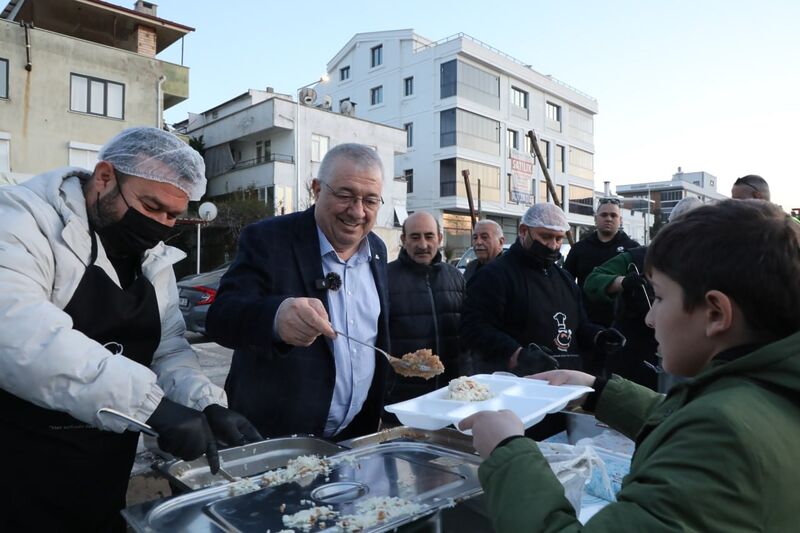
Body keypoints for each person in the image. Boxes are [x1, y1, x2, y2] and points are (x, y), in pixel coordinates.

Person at [459, 199, 800, 532]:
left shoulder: (722, 437)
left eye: (660, 298)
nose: (650, 318)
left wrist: (508, 455)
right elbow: (688, 416)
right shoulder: (765, 391)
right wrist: (596, 391)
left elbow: (706, 428)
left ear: (715, 314)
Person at [0, 127, 260, 532]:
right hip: (19, 464)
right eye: (151, 206)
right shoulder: (22, 219)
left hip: (104, 465)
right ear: (104, 178)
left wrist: (203, 402)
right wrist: (153, 407)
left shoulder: (153, 260)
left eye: (172, 216)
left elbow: (168, 348)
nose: (159, 225)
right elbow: (20, 336)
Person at [206, 143, 390, 441]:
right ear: (317, 189)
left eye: (370, 201)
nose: (357, 212)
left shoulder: (378, 250)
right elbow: (220, 318)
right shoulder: (268, 239)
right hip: (274, 441)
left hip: (353, 437)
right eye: (345, 195)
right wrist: (275, 319)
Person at [460, 203, 625, 379]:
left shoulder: (564, 278)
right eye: (546, 237)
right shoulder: (494, 275)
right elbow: (474, 327)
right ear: (524, 231)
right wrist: (518, 355)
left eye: (559, 239)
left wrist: (598, 335)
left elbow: (578, 324)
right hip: (515, 386)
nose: (553, 245)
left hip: (564, 382)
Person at [583, 197, 703, 389]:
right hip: (633, 349)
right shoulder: (639, 256)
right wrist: (622, 282)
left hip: (676, 352)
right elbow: (593, 281)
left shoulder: (705, 264)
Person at [385, 211, 465, 413]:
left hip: (451, 395)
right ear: (403, 239)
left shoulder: (456, 277)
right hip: (402, 399)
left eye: (429, 236)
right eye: (415, 237)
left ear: (439, 238)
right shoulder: (384, 278)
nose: (422, 244)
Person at [563, 197, 639, 326]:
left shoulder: (633, 249)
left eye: (613, 215)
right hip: (586, 321)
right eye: (604, 215)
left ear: (620, 221)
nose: (608, 218)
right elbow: (565, 283)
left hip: (623, 322)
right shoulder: (579, 249)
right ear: (595, 218)